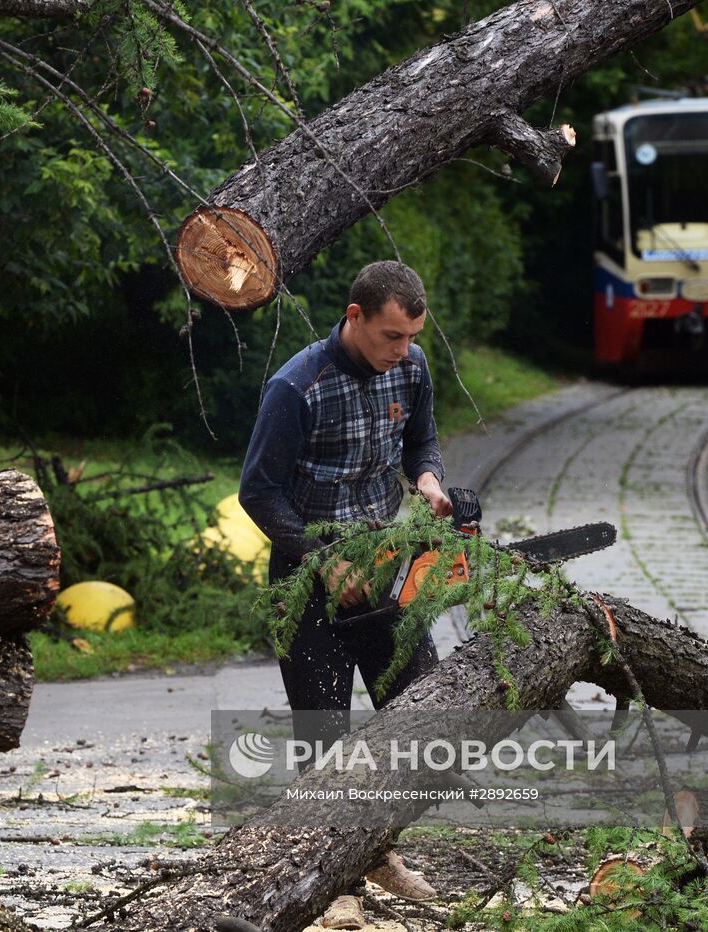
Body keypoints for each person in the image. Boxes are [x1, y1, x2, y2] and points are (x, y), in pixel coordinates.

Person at [238, 260, 447, 925]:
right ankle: (337, 888)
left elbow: (423, 442)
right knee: (324, 739)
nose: (403, 351)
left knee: (424, 714)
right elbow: (258, 493)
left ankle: (377, 848)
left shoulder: (410, 371)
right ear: (355, 317)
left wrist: (430, 482)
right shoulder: (297, 386)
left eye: (412, 336)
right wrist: (323, 560)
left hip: (383, 569)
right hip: (307, 579)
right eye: (392, 336)